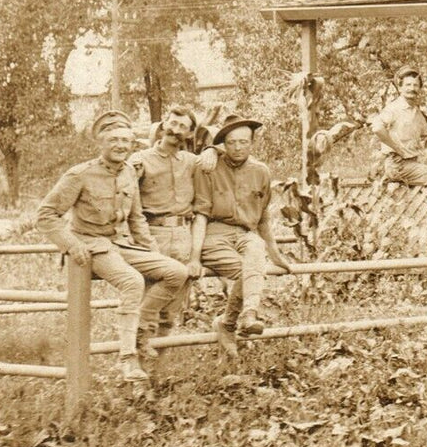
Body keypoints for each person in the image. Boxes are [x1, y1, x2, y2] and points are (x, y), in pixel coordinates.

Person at [36, 110, 189, 382]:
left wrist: (151, 251)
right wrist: (70, 244)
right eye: (114, 140)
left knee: (177, 272)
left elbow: (136, 217)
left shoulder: (130, 171)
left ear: (132, 144)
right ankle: (128, 359)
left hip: (122, 243)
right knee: (132, 281)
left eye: (126, 141)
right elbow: (46, 214)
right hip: (92, 245)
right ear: (101, 143)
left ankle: (141, 329)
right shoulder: (80, 174)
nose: (120, 146)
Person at [189, 114, 295, 355]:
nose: (238, 148)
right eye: (232, 142)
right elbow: (201, 215)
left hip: (246, 234)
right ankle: (230, 322)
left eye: (244, 142)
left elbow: (263, 217)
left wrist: (276, 254)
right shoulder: (209, 167)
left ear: (252, 143)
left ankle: (246, 315)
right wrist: (195, 257)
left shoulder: (261, 171)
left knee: (256, 247)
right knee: (246, 271)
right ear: (223, 144)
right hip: (214, 234)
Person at [127, 105, 219, 354]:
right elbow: (124, 195)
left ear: (189, 135)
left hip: (183, 236)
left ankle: (158, 371)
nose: (175, 130)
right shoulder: (140, 160)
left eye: (183, 127)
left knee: (171, 310)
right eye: (173, 123)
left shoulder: (191, 162)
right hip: (152, 235)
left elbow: (220, 149)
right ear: (163, 125)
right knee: (148, 301)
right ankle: (134, 364)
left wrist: (211, 149)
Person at [370, 66, 427, 185]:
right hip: (397, 164)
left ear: (419, 89)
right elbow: (377, 127)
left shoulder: (417, 113)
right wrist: (396, 147)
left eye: (415, 85)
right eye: (408, 85)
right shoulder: (394, 108)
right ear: (400, 87)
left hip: (412, 165)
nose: (412, 88)